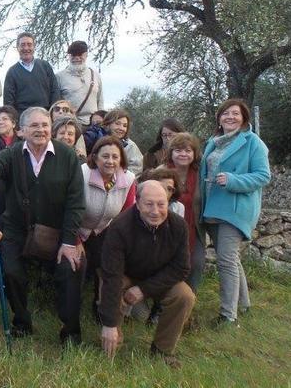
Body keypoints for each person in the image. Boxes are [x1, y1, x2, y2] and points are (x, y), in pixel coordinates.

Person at [0, 107, 85, 344]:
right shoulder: (13, 153)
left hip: (57, 231)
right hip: (17, 229)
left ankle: (71, 330)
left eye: (45, 125)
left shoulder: (67, 156)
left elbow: (76, 203)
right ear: (22, 131)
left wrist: (68, 242)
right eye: (34, 126)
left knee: (71, 269)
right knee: (11, 271)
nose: (41, 130)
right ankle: (22, 321)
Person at [99, 181, 194, 368]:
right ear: (137, 202)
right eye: (149, 204)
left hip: (159, 278)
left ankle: (162, 351)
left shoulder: (178, 226)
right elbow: (112, 275)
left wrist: (143, 289)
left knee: (184, 296)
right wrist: (109, 324)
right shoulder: (120, 227)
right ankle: (113, 337)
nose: (155, 211)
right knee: (112, 286)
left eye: (161, 204)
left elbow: (181, 268)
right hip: (125, 275)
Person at [200, 99, 271, 325]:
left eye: (236, 114)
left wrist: (233, 180)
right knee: (231, 259)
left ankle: (228, 316)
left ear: (244, 119)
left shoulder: (253, 143)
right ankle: (244, 304)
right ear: (219, 118)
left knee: (226, 261)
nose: (230, 117)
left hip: (234, 210)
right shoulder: (213, 142)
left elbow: (263, 176)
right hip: (211, 208)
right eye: (225, 114)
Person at [73, 136, 136, 327]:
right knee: (78, 265)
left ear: (121, 159)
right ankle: (71, 308)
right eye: (105, 156)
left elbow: (126, 213)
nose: (110, 161)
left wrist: (119, 244)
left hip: (105, 229)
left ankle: (101, 308)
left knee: (109, 267)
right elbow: (68, 207)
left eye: (115, 157)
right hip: (78, 229)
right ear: (95, 157)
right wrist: (75, 240)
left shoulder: (129, 179)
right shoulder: (81, 174)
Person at [163, 132, 205, 291]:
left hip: (194, 227)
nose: (183, 154)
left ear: (194, 154)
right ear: (171, 153)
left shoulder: (201, 174)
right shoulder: (161, 172)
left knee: (196, 263)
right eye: (178, 150)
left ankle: (189, 299)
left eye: (188, 151)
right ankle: (163, 303)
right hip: (167, 229)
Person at [2, 32, 61, 116]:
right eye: (22, 45)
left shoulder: (45, 66)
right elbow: (8, 102)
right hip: (24, 119)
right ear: (17, 47)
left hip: (46, 116)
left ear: (34, 47)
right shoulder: (12, 72)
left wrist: (52, 113)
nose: (26, 48)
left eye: (29, 44)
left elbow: (55, 91)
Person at [56, 40, 104, 127]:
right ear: (69, 56)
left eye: (80, 54)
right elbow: (56, 103)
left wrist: (102, 119)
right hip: (71, 124)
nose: (77, 58)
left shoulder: (95, 75)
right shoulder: (59, 77)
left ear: (86, 55)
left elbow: (100, 101)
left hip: (94, 125)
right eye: (73, 55)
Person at [84, 109, 143, 174]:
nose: (121, 128)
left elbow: (136, 168)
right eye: (117, 124)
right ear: (107, 124)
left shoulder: (129, 145)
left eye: (125, 126)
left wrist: (118, 177)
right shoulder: (92, 137)